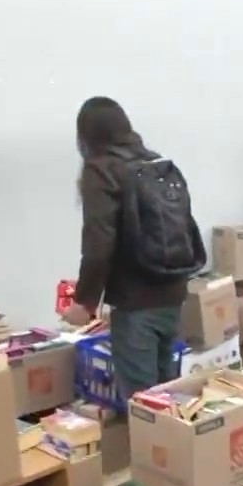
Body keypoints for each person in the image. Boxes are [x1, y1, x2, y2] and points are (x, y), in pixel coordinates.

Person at [65, 97, 204, 400]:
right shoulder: (155, 162)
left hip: (136, 301)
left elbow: (98, 243)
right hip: (173, 291)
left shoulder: (100, 169)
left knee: (145, 404)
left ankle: (154, 447)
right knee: (169, 393)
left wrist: (84, 302)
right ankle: (179, 447)